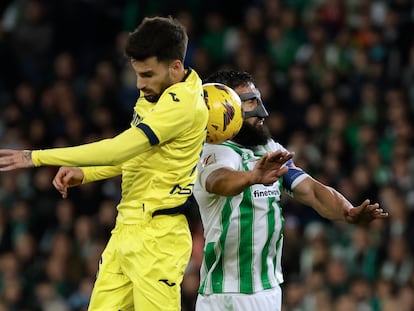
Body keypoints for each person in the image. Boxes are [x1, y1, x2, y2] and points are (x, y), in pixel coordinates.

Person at [0, 16, 208, 310]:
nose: (139, 83)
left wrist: (34, 157)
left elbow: (117, 150)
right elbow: (135, 156)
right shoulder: (156, 91)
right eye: (137, 74)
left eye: (147, 74)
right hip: (126, 229)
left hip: (159, 239)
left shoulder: (183, 105)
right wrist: (85, 173)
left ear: (176, 67)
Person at [193, 70, 389, 311]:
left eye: (259, 99)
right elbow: (217, 180)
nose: (262, 111)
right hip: (226, 294)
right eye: (251, 102)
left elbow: (311, 190)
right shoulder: (214, 151)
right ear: (225, 107)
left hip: (270, 289)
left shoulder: (268, 148)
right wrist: (252, 177)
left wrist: (346, 211)